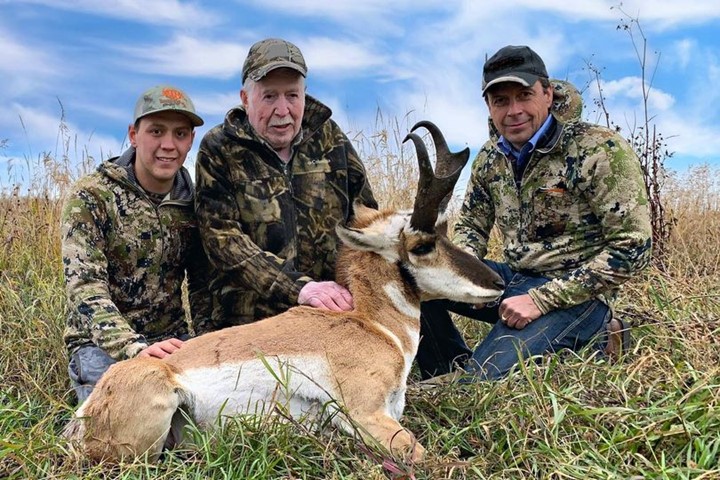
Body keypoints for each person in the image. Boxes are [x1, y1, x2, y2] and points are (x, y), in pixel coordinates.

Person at [416, 45, 652, 381]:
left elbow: (634, 248)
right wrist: (462, 271)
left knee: (483, 381)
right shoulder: (490, 156)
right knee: (418, 278)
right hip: (514, 280)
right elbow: (471, 223)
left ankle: (603, 335)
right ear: (489, 106)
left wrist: (542, 300)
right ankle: (447, 367)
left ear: (547, 94)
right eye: (501, 101)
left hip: (579, 294)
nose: (513, 111)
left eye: (524, 95)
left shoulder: (600, 149)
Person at [195, 38, 376, 327]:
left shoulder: (330, 138)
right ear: (245, 98)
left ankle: (461, 370)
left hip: (333, 311)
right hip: (251, 322)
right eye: (269, 97)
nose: (283, 110)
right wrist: (300, 288)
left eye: (292, 96)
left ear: (304, 95)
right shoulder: (219, 148)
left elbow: (365, 216)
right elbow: (222, 239)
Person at [61, 85, 212, 402]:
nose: (168, 145)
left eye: (180, 134)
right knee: (124, 413)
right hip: (103, 343)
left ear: (190, 140)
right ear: (133, 134)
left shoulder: (194, 203)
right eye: (156, 131)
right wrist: (134, 348)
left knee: (209, 413)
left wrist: (207, 343)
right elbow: (83, 286)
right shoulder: (93, 196)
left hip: (171, 339)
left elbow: (201, 282)